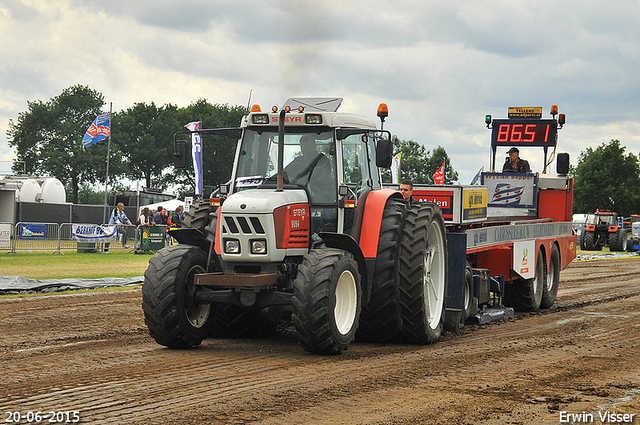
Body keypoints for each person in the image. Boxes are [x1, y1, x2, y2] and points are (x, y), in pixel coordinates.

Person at [284, 134, 334, 202]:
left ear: (314, 146)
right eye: (303, 146)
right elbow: (285, 173)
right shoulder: (298, 161)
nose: (304, 148)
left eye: (307, 145)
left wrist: (294, 180)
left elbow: (315, 177)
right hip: (301, 191)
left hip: (321, 192)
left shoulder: (322, 160)